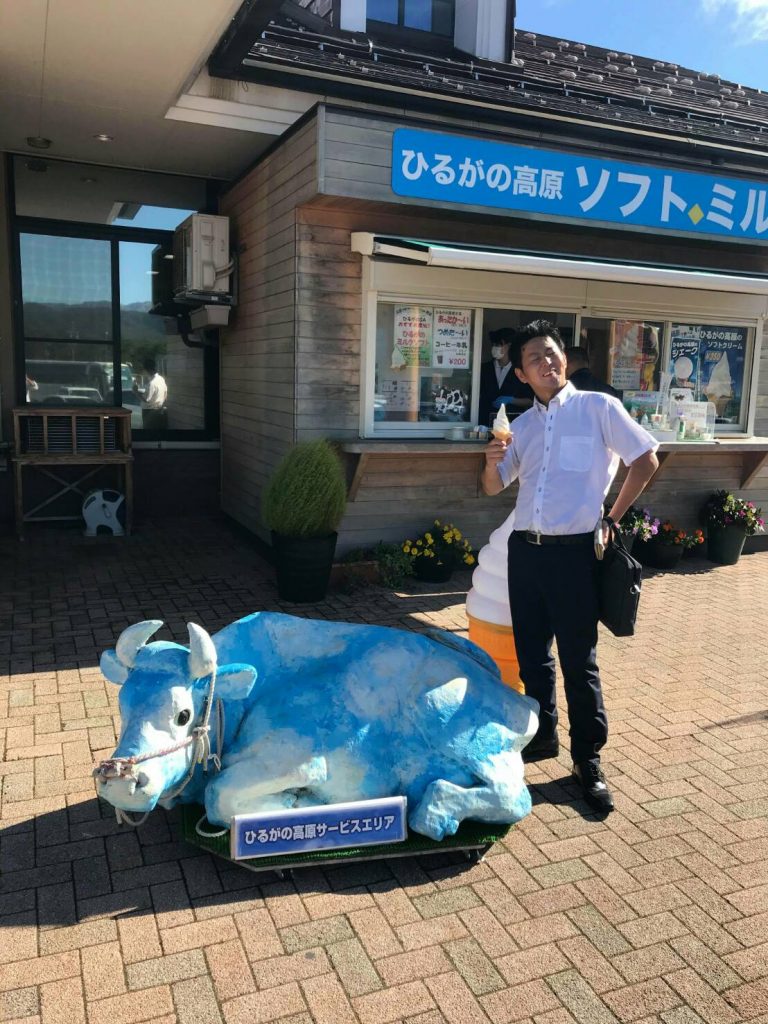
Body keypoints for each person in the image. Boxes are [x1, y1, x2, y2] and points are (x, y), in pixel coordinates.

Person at [481, 320, 659, 813]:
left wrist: (612, 517)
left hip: (575, 554)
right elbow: (494, 487)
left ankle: (588, 759)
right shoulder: (521, 427)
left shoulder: (598, 407)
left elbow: (645, 459)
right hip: (526, 552)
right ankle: (544, 735)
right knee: (533, 655)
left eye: (551, 352)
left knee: (579, 661)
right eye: (534, 358)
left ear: (564, 357)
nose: (546, 362)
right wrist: (490, 460)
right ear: (521, 373)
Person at [478, 328, 534, 428]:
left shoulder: (521, 371)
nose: (495, 348)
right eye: (493, 345)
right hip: (485, 424)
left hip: (512, 425)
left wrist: (511, 400)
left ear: (510, 346)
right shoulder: (484, 369)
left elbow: (531, 400)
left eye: (499, 345)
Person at [134, 358, 168, 430]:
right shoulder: (161, 379)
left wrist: (135, 391)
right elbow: (165, 393)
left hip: (149, 412)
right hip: (160, 410)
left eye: (144, 370)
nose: (144, 372)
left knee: (149, 433)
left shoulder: (151, 383)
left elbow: (146, 399)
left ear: (148, 370)